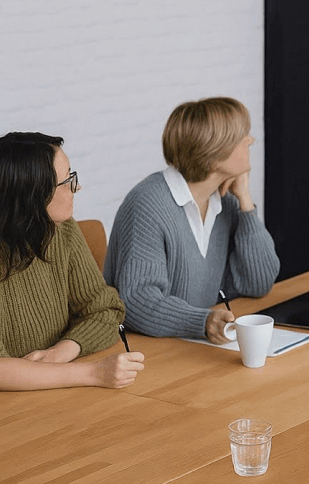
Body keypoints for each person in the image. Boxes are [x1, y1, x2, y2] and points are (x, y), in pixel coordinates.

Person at [0, 132, 144, 395]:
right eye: (68, 180)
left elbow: (105, 309)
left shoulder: (60, 228)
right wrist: (93, 372)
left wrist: (63, 350)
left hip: (43, 394)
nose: (76, 187)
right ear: (32, 195)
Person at [104, 97, 279, 344]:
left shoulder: (225, 202)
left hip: (196, 347)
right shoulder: (147, 205)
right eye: (242, 136)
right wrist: (201, 322)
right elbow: (136, 301)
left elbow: (258, 283)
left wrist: (246, 202)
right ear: (214, 154)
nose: (250, 140)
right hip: (149, 351)